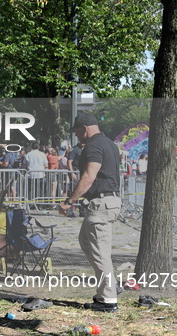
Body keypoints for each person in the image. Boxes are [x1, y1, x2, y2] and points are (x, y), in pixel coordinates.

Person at [59, 113, 122, 313]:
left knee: (99, 252)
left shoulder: (93, 146)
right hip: (106, 202)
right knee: (86, 242)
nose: (76, 135)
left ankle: (108, 300)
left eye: (77, 131)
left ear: (85, 128)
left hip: (101, 204)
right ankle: (110, 285)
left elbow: (88, 177)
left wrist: (69, 201)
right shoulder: (110, 144)